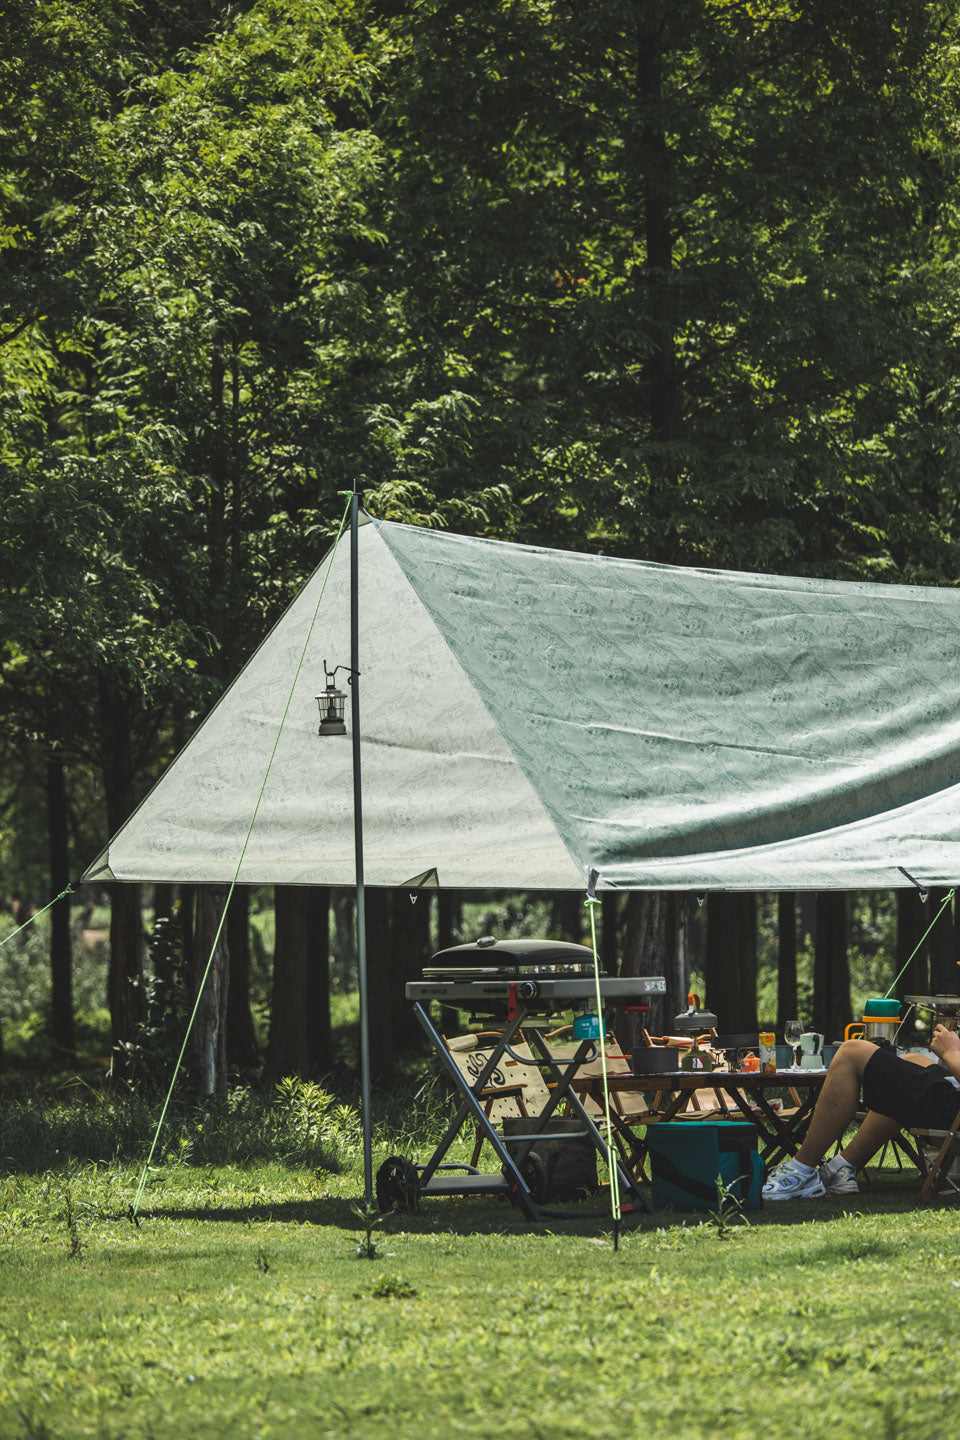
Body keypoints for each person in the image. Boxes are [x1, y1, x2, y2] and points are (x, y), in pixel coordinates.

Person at [762, 1023, 960, 1200]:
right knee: (913, 1061)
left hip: (954, 1117)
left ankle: (800, 1172)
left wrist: (952, 1052)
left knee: (852, 1051)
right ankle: (842, 1167)